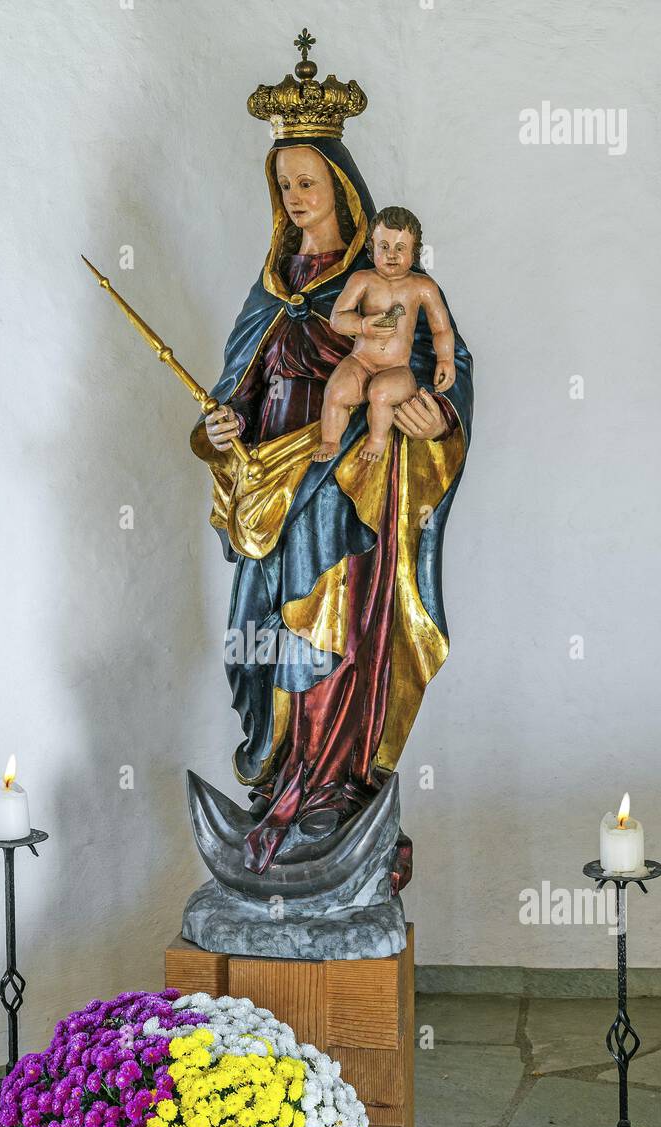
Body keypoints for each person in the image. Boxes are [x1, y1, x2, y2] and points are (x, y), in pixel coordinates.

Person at [190, 135, 473, 874]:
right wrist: (220, 426)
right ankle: (286, 777)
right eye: (283, 182)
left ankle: (330, 790)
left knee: (332, 631)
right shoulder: (273, 288)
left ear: (344, 189)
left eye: (309, 180)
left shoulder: (383, 274)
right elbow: (235, 394)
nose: (295, 194)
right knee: (268, 632)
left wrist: (439, 411)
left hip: (347, 484)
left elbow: (447, 367)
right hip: (277, 486)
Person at [315, 206, 455, 463]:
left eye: (400, 248)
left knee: (380, 394)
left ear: (414, 252)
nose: (392, 255)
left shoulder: (422, 287)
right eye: (384, 247)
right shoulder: (362, 280)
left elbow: (442, 328)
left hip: (397, 368)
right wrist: (364, 326)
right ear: (372, 247)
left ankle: (377, 440)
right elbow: (337, 319)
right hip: (361, 361)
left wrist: (446, 360)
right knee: (335, 391)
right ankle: (330, 441)